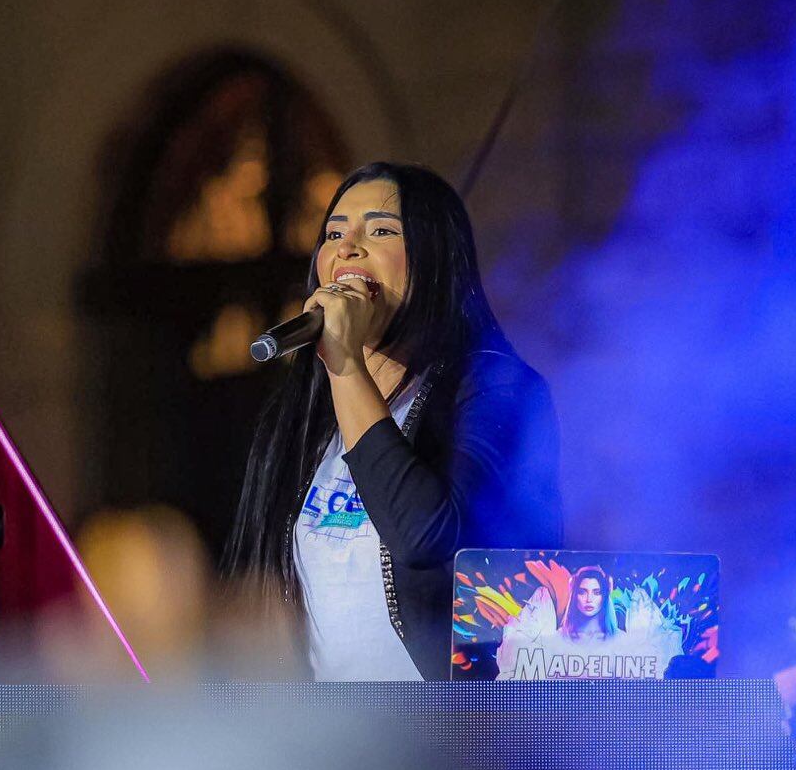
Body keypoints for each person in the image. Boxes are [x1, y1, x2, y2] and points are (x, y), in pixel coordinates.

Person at [225, 162, 562, 681]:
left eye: (380, 230)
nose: (347, 247)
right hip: (330, 742)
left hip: (459, 739)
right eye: (333, 232)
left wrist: (344, 362)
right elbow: (261, 593)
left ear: (434, 262)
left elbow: (426, 537)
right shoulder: (302, 419)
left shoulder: (497, 389)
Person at [560, 565, 615, 640]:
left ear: (605, 596)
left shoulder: (619, 638)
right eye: (582, 592)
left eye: (597, 593)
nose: (589, 599)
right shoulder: (558, 637)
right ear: (574, 595)